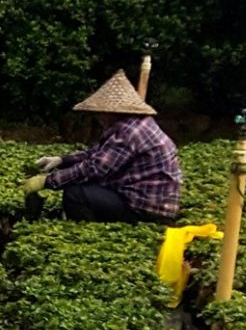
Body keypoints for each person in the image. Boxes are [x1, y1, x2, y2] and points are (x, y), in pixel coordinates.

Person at [22, 72, 182, 224]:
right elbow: (97, 153)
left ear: (111, 111)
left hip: (146, 209)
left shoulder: (129, 132)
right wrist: (61, 161)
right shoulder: (135, 123)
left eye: (99, 112)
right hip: (150, 202)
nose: (98, 117)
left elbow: (95, 168)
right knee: (87, 187)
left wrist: (48, 181)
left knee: (75, 194)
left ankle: (82, 236)